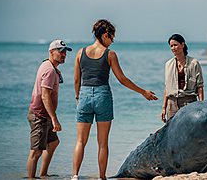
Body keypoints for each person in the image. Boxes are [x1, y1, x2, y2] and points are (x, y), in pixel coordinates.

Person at [72, 19, 158, 180]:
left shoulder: (80, 53)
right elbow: (122, 79)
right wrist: (142, 92)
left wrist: (78, 97)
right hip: (102, 96)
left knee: (80, 141)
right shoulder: (109, 54)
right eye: (112, 38)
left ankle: (75, 176)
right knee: (102, 142)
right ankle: (102, 177)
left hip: (83, 95)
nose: (112, 42)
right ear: (105, 35)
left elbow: (76, 80)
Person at [26, 39, 72, 179]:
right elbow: (45, 96)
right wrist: (54, 119)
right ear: (51, 52)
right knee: (36, 152)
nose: (63, 54)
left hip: (44, 114)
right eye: (60, 51)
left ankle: (43, 174)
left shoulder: (47, 64)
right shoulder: (50, 70)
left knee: (53, 143)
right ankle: (31, 178)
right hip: (40, 115)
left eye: (65, 52)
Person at [161, 34, 204, 122]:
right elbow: (167, 87)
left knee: (190, 131)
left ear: (182, 44)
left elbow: (200, 86)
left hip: (189, 102)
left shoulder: (194, 63)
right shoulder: (168, 64)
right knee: (171, 133)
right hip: (172, 104)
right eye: (171, 46)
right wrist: (164, 108)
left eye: (175, 45)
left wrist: (201, 105)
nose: (173, 48)